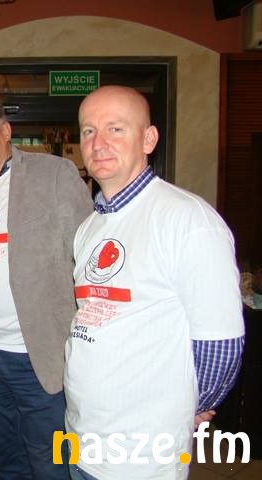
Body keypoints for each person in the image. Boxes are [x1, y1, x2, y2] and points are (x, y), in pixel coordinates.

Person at [64, 85, 245, 479]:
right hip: (82, 435)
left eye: (115, 129)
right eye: (89, 131)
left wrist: (192, 407)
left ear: (148, 139)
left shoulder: (187, 220)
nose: (98, 143)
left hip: (143, 454)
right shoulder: (90, 227)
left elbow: (221, 342)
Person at [0, 93, 92, 479]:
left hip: (38, 353)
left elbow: (88, 260)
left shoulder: (54, 174)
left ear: (6, 131)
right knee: (5, 455)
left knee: (52, 461)